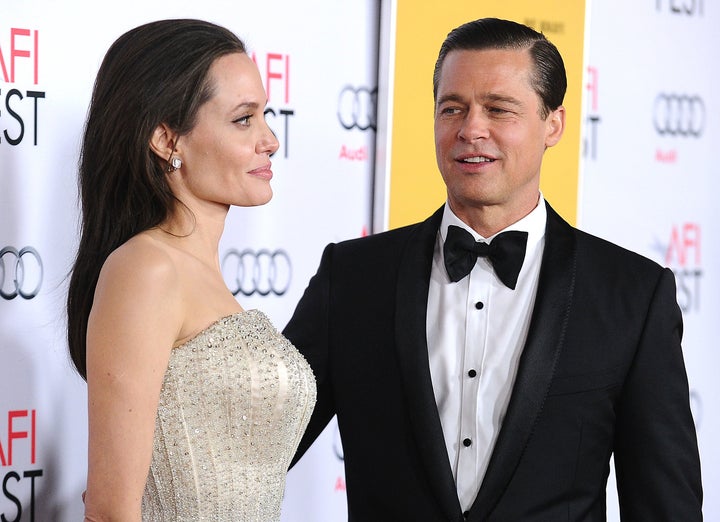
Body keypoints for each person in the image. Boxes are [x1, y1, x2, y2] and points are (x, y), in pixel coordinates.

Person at [285, 17, 702, 521]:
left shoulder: (632, 295)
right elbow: (254, 453)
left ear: (554, 124)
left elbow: (665, 505)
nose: (470, 129)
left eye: (498, 110)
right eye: (452, 109)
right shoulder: (351, 280)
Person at [66, 19, 315, 522]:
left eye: (264, 115)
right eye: (243, 120)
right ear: (165, 139)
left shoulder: (197, 275)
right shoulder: (146, 268)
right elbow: (111, 511)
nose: (269, 140)